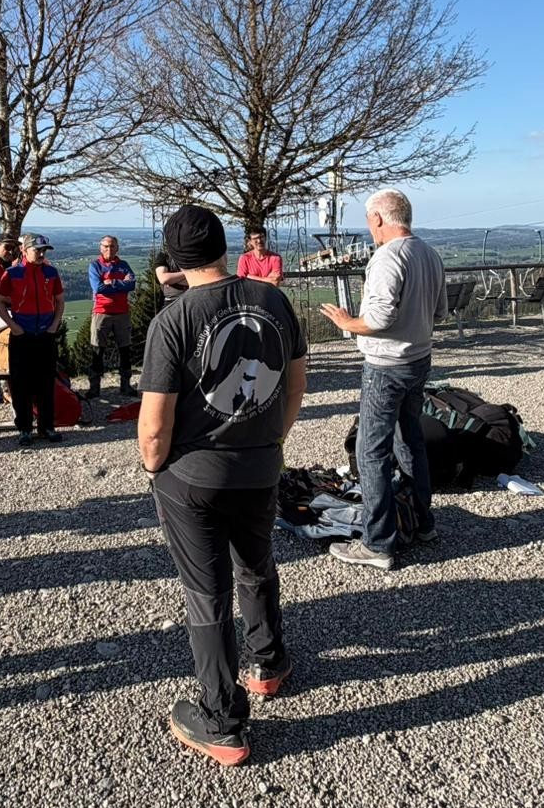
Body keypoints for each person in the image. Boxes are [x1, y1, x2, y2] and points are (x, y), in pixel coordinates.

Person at [138, 205, 307, 767]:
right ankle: (267, 662)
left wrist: (154, 468)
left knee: (206, 591)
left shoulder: (174, 320)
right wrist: (272, 440)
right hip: (261, 465)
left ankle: (221, 719)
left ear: (176, 259)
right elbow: (295, 384)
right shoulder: (273, 300)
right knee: (256, 564)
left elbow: (154, 424)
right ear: (223, 245)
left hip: (194, 475)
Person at [319, 189, 447, 571]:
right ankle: (423, 523)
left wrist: (347, 322)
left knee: (370, 451)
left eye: (368, 220)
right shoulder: (429, 253)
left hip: (386, 365)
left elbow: (377, 320)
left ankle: (378, 544)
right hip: (419, 359)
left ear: (377, 218)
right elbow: (440, 312)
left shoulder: (387, 257)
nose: (369, 228)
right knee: (410, 441)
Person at [0, 233, 65, 447]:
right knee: (21, 384)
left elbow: (60, 300)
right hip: (22, 335)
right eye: (37, 250)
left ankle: (47, 426)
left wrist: (54, 325)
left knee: (46, 382)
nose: (42, 254)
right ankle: (24, 428)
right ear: (24, 251)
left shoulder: (51, 272)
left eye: (44, 250)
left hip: (45, 334)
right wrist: (13, 326)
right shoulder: (12, 273)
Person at [86, 236, 138, 399]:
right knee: (97, 350)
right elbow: (98, 288)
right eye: (106, 246)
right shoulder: (95, 266)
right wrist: (121, 284)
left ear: (117, 248)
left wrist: (112, 282)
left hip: (122, 313)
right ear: (100, 247)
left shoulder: (124, 265)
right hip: (102, 312)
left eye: (112, 246)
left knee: (125, 350)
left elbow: (132, 284)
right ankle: (94, 388)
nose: (109, 249)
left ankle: (125, 385)